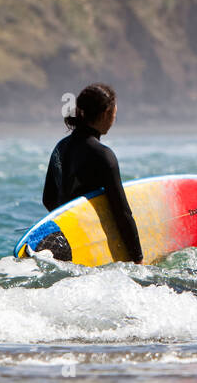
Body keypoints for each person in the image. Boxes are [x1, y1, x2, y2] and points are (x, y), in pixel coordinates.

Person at [43, 83, 144, 263]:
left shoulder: (61, 147)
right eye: (114, 114)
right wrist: (138, 259)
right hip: (86, 242)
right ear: (106, 113)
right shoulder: (103, 155)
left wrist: (69, 227)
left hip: (63, 240)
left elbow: (48, 199)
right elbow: (122, 213)